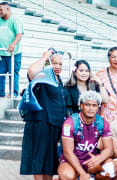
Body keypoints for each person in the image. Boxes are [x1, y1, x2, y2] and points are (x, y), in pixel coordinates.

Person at [20, 50, 67, 180]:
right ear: (48, 63)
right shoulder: (43, 75)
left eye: (60, 64)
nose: (57, 66)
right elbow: (31, 71)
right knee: (39, 158)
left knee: (50, 160)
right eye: (54, 63)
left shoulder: (59, 80)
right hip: (41, 123)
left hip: (55, 125)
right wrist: (45, 57)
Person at [58, 90, 114, 180]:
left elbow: (109, 149)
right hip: (72, 160)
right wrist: (82, 173)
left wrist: (100, 158)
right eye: (87, 105)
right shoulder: (71, 122)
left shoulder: (102, 122)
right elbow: (68, 153)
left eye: (94, 105)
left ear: (98, 108)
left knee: (111, 168)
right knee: (67, 175)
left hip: (91, 159)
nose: (91, 108)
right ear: (81, 106)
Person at [0, 1, 24, 97]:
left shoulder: (15, 20)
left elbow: (19, 34)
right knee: (0, 74)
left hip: (14, 54)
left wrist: (13, 44)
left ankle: (13, 93)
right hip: (2, 53)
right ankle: (0, 93)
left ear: (8, 9)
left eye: (1, 10)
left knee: (13, 73)